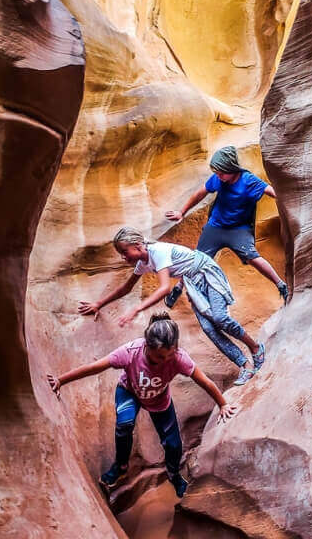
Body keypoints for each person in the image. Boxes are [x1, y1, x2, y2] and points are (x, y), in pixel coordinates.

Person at [47, 313, 236, 497]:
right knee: (124, 424)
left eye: (170, 355)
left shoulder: (178, 357)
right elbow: (95, 367)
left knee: (173, 444)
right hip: (129, 392)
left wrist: (223, 405)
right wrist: (60, 380)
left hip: (159, 400)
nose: (166, 361)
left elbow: (204, 381)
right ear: (147, 346)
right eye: (160, 357)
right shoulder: (130, 353)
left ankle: (173, 474)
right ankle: (120, 466)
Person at [78, 227, 263, 386]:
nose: (123, 257)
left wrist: (137, 309)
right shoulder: (143, 263)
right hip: (192, 282)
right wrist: (98, 304)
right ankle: (244, 365)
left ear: (137, 246)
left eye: (125, 252)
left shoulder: (157, 252)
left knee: (220, 318)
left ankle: (255, 349)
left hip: (206, 272)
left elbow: (165, 288)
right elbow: (126, 287)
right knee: (209, 328)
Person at [165, 145, 289, 307]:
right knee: (197, 259)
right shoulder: (218, 178)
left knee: (252, 256)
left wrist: (287, 201)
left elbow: (270, 190)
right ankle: (178, 287)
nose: (218, 176)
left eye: (221, 172)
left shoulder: (248, 180)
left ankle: (281, 285)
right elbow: (199, 193)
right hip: (215, 227)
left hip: (239, 230)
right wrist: (182, 212)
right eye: (217, 172)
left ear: (231, 168)